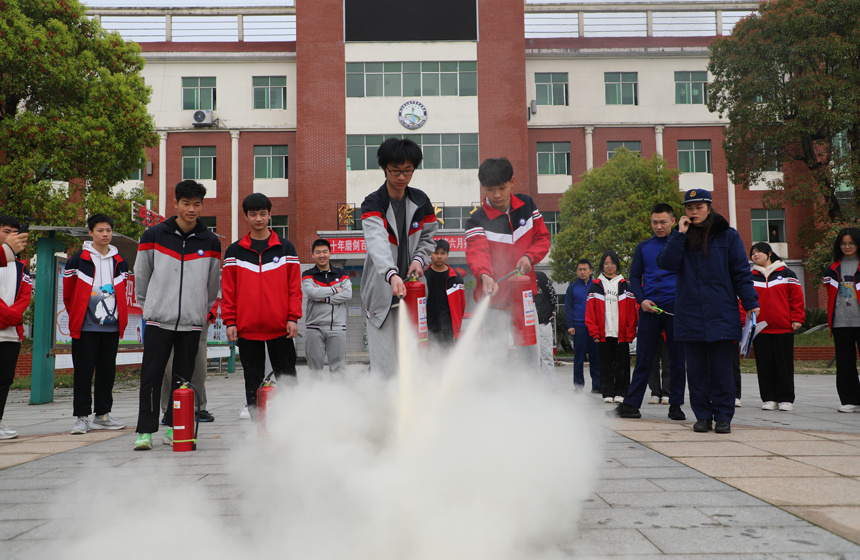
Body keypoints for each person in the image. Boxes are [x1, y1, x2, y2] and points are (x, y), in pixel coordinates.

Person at [657, 189, 759, 434]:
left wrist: (750, 301)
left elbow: (740, 272)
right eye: (689, 208)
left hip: (721, 312)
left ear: (709, 206)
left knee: (723, 370)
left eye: (699, 207)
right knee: (697, 371)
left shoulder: (728, 236)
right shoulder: (681, 237)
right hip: (690, 314)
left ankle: (723, 416)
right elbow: (666, 263)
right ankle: (702, 416)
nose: (694, 212)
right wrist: (679, 235)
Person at [132, 180, 221, 450]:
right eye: (186, 203)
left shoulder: (211, 241)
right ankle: (145, 432)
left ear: (201, 206)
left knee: (184, 379)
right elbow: (142, 274)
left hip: (192, 323)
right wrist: (151, 306)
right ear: (175, 203)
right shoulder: (155, 235)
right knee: (151, 376)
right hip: (159, 318)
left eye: (196, 204)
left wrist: (200, 311)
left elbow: (212, 284)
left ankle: (173, 426)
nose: (191, 209)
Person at [360, 138, 437, 377]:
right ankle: (384, 412)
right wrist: (391, 274)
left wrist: (419, 261)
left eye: (407, 171)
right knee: (385, 365)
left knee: (415, 360)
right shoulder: (373, 203)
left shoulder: (421, 202)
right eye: (395, 171)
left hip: (414, 293)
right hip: (383, 294)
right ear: (384, 169)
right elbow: (377, 243)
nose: (401, 177)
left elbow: (428, 240)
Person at [464, 157, 551, 366]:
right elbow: (477, 253)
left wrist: (529, 257)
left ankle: (531, 395)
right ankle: (495, 397)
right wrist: (485, 276)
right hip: (493, 299)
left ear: (512, 181)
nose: (496, 195)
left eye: (502, 188)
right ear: (482, 187)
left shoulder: (527, 205)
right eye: (490, 189)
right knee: (494, 358)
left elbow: (542, 238)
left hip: (524, 297)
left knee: (530, 353)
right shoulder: (476, 220)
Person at [223, 193, 302, 418]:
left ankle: (294, 415)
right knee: (252, 375)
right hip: (247, 328)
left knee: (287, 375)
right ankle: (257, 417)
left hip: (280, 327)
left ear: (269, 215)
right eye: (253, 214)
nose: (258, 218)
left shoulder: (286, 249)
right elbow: (229, 291)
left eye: (263, 214)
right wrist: (230, 321)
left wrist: (293, 317)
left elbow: (294, 288)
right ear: (246, 216)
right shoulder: (235, 252)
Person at [610, 203, 686, 421]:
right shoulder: (644, 247)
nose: (659, 226)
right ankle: (631, 405)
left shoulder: (682, 243)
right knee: (644, 357)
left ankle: (676, 405)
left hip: (674, 307)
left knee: (677, 358)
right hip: (649, 308)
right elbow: (634, 277)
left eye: (663, 222)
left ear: (673, 221)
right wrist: (642, 301)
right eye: (654, 222)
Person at [63, 214, 129, 434]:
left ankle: (102, 415)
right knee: (83, 372)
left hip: (111, 327)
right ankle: (82, 418)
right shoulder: (77, 260)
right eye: (100, 230)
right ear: (90, 232)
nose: (105, 234)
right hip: (85, 327)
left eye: (108, 230)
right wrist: (78, 317)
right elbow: (68, 295)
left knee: (107, 372)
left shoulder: (120, 261)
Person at [749, 242, 804, 411]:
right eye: (753, 253)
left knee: (784, 364)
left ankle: (786, 399)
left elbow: (797, 298)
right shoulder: (749, 276)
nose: (755, 255)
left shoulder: (787, 273)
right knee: (764, 364)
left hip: (784, 327)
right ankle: (768, 399)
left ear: (769, 253)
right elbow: (743, 302)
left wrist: (797, 318)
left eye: (759, 252)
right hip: (760, 328)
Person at [586, 250, 638, 404]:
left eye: (612, 263)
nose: (609, 266)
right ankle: (607, 392)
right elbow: (590, 311)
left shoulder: (624, 285)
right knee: (605, 363)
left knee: (622, 364)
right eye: (606, 263)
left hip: (621, 333)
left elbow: (631, 311)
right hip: (603, 332)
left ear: (617, 265)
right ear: (602, 265)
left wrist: (630, 331)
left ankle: (621, 392)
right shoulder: (595, 286)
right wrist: (594, 332)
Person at [159, 298, 219, 424]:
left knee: (199, 365)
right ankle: (169, 409)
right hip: (168, 313)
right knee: (169, 365)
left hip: (198, 315)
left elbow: (212, 287)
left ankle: (197, 408)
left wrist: (209, 311)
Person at [823, 227, 860, 413]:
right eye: (843, 243)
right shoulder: (832, 268)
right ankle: (849, 400)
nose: (847, 246)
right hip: (841, 322)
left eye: (851, 243)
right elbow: (829, 293)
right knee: (845, 363)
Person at [302, 238, 352, 376]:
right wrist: (336, 290)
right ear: (313, 255)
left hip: (337, 327)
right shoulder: (307, 275)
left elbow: (348, 294)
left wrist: (326, 298)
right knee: (314, 371)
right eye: (318, 252)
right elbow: (312, 293)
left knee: (338, 370)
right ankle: (316, 397)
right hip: (314, 328)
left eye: (325, 251)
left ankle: (337, 397)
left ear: (330, 253)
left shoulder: (342, 274)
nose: (321, 255)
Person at [0, 217, 31, 440]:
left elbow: (24, 297)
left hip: (11, 335)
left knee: (4, 381)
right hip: (6, 323)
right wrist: (8, 315)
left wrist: (11, 317)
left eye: (15, 232)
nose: (12, 235)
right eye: (6, 231)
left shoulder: (22, 267)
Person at [565, 260, 600, 392]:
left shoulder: (597, 286)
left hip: (594, 327)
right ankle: (578, 385)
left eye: (585, 269)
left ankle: (597, 385)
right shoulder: (572, 288)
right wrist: (570, 325)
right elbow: (568, 308)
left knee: (595, 357)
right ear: (577, 272)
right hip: (579, 326)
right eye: (580, 269)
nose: (582, 272)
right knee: (579, 358)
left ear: (590, 271)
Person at [424, 239, 465, 346]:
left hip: (448, 328)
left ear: (447, 255)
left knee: (448, 360)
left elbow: (461, 305)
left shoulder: (456, 277)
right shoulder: (423, 276)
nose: (439, 256)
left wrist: (457, 327)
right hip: (428, 327)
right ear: (431, 254)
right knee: (428, 359)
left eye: (443, 253)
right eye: (436, 253)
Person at [534, 270, 557, 379]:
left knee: (547, 356)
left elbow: (553, 296)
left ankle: (549, 387)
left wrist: (546, 315)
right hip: (526, 326)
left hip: (543, 323)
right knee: (530, 358)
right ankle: (532, 386)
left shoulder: (539, 276)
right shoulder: (515, 277)